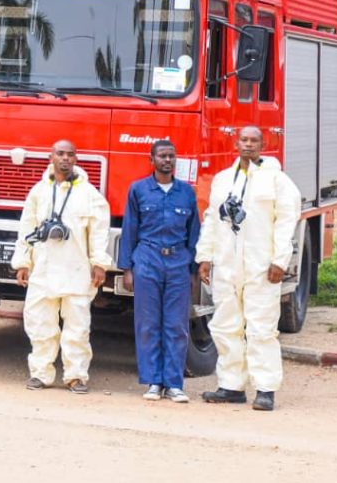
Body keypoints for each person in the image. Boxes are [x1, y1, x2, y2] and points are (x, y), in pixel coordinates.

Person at [196, 126, 300, 411]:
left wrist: (279, 260)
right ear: (236, 143)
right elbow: (212, 219)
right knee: (225, 325)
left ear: (263, 145)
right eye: (244, 140)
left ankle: (265, 389)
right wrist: (205, 257)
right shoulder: (222, 179)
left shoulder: (277, 180)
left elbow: (286, 221)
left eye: (254, 141)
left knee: (261, 328)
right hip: (226, 265)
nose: (249, 145)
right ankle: (231, 385)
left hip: (261, 266)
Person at [12, 140, 111, 394]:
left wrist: (99, 263)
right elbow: (26, 228)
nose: (65, 158)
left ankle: (76, 376)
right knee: (40, 324)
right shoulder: (38, 192)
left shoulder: (89, 194)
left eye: (70, 154)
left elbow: (99, 232)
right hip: (43, 268)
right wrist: (22, 262)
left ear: (76, 159)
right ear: (51, 157)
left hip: (76, 269)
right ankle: (40, 373)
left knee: (77, 327)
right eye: (60, 154)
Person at [119, 139, 201, 403]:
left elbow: (194, 232)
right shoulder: (138, 190)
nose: (167, 160)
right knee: (148, 324)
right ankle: (153, 381)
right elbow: (129, 229)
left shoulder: (186, 192)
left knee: (176, 325)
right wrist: (127, 269)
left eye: (171, 156)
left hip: (178, 262)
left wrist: (193, 270)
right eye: (162, 156)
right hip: (147, 260)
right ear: (151, 159)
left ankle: (174, 384)